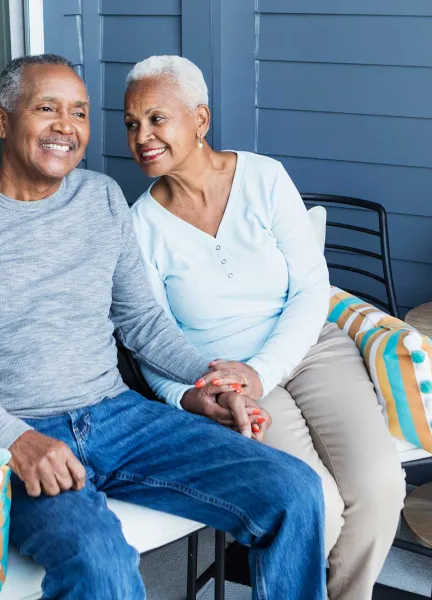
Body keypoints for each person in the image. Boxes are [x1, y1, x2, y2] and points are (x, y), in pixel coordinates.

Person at [0, 53, 325, 600]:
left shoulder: (101, 198)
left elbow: (140, 319)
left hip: (118, 415)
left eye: (81, 113)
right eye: (46, 108)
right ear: (1, 121)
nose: (66, 127)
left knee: (294, 490)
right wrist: (14, 438)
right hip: (20, 433)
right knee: (101, 563)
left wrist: (208, 381)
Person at [126, 55, 407, 600]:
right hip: (226, 379)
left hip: (310, 349)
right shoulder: (140, 226)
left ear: (200, 119)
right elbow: (148, 341)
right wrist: (188, 396)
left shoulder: (264, 177)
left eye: (157, 118)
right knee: (312, 504)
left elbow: (310, 288)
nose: (143, 136)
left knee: (380, 487)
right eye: (132, 123)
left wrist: (263, 370)